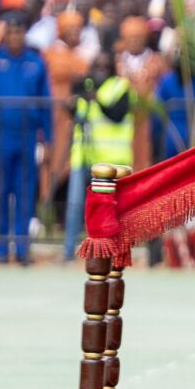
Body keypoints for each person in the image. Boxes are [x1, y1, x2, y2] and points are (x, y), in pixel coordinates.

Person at [0, 15, 51, 265]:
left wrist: (48, 139)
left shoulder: (36, 62)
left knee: (24, 191)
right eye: (10, 33)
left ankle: (22, 248)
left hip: (26, 135)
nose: (14, 37)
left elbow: (46, 103)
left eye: (19, 32)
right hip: (0, 134)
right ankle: (0, 249)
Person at [70, 52, 136, 257]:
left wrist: (96, 98)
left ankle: (115, 250)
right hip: (83, 157)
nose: (100, 71)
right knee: (75, 204)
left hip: (111, 162)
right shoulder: (86, 88)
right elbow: (77, 114)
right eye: (96, 66)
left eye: (104, 67)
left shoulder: (120, 87)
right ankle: (69, 251)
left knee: (113, 210)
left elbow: (117, 115)